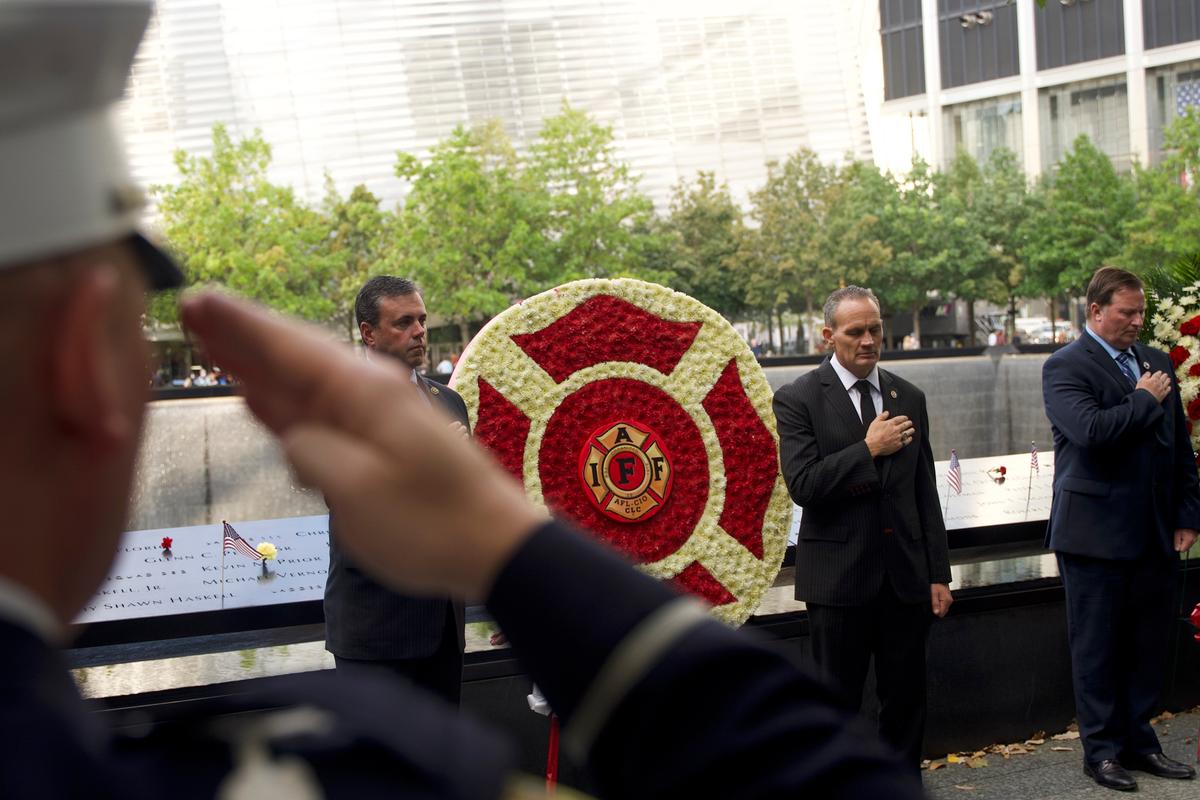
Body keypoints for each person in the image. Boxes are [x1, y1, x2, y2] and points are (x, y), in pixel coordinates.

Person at [0, 4, 927, 797]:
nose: (418, 333)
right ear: (85, 359)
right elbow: (823, 775)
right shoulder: (333, 768)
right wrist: (511, 551)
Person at [772, 285, 953, 770]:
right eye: (856, 332)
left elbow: (923, 491)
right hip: (838, 580)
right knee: (836, 707)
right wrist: (867, 450)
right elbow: (804, 485)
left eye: (875, 328)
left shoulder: (907, 395)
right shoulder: (798, 398)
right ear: (829, 336)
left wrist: (939, 573)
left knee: (906, 702)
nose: (869, 340)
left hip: (905, 580)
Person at [1042, 266, 1199, 791]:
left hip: (1155, 530)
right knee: (1097, 648)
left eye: (1141, 312)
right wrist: (1142, 399)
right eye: (1127, 312)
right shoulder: (1064, 366)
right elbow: (1090, 433)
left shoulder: (1154, 361)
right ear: (1095, 311)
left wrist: (1186, 514)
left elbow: (1178, 448)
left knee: (1147, 643)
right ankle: (1101, 752)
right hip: (1092, 535)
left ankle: (1140, 742)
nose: (1138, 321)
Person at [323, 276, 469, 704]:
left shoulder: (449, 402)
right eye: (403, 322)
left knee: (441, 766)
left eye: (422, 320)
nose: (420, 331)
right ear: (368, 333)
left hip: (444, 628)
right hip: (376, 634)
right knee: (380, 769)